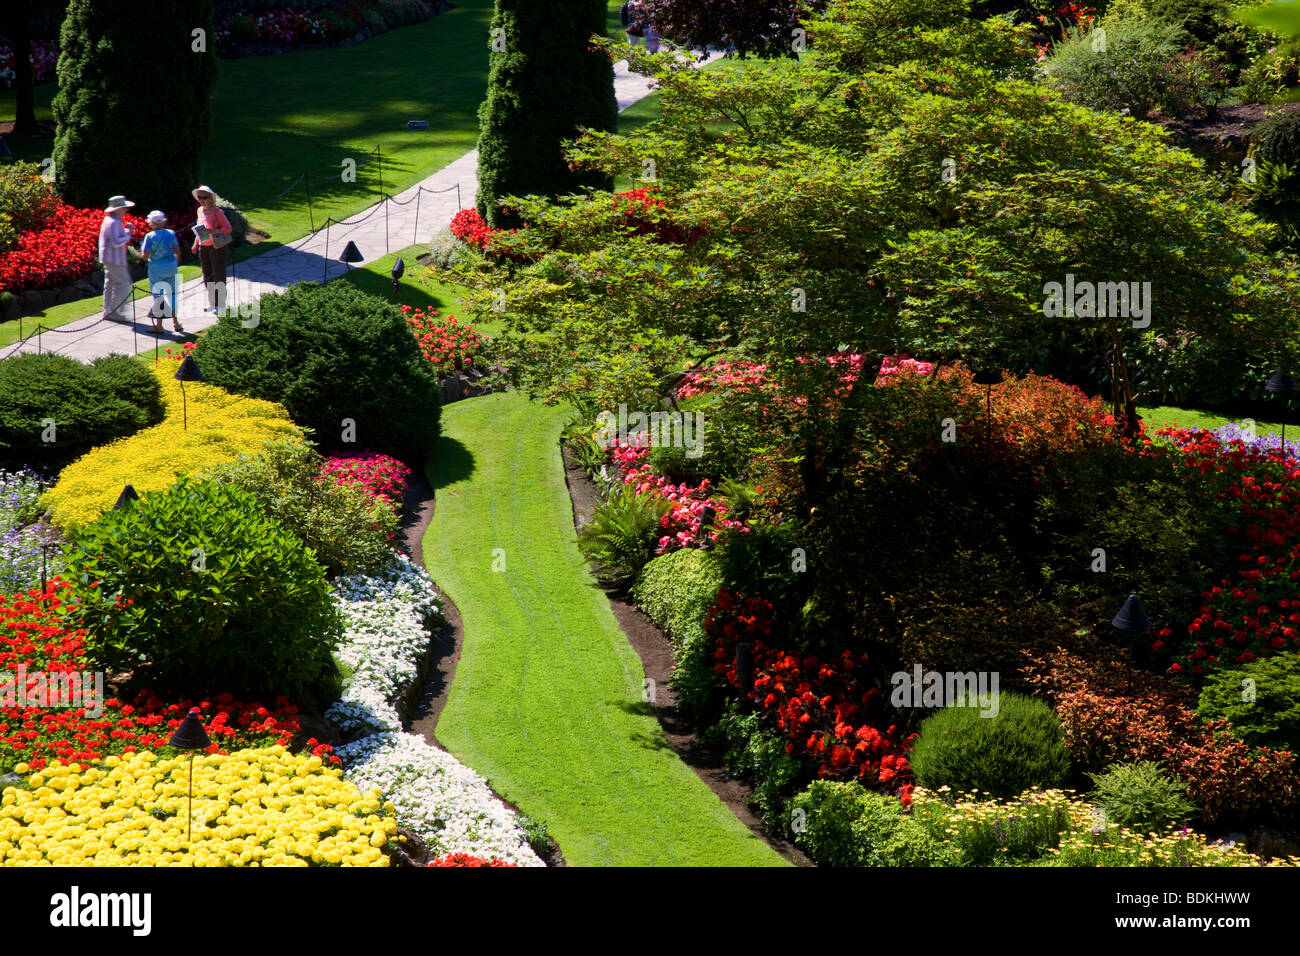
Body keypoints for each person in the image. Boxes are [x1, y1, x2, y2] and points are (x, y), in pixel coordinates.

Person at [190, 184, 233, 313]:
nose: (202, 200)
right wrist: (195, 243)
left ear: (211, 198)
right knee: (207, 275)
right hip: (203, 246)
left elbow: (227, 228)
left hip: (216, 247)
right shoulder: (200, 210)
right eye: (200, 197)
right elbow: (199, 228)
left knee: (218, 274)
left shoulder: (217, 211)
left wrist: (213, 231)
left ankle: (221, 305)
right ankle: (213, 303)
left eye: (204, 197)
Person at [140, 210, 182, 335]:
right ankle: (176, 323)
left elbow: (145, 256)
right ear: (163, 222)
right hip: (171, 266)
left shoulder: (149, 236)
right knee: (173, 294)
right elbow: (177, 251)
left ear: (151, 223)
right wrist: (176, 262)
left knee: (158, 296)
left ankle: (159, 325)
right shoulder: (170, 233)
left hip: (156, 268)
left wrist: (142, 254)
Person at [98, 195, 134, 321]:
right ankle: (114, 311)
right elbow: (115, 241)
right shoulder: (113, 221)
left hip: (109, 258)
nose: (125, 210)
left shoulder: (111, 220)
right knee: (123, 283)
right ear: (117, 209)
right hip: (114, 258)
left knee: (109, 284)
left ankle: (108, 311)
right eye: (123, 208)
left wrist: (125, 232)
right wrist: (128, 235)